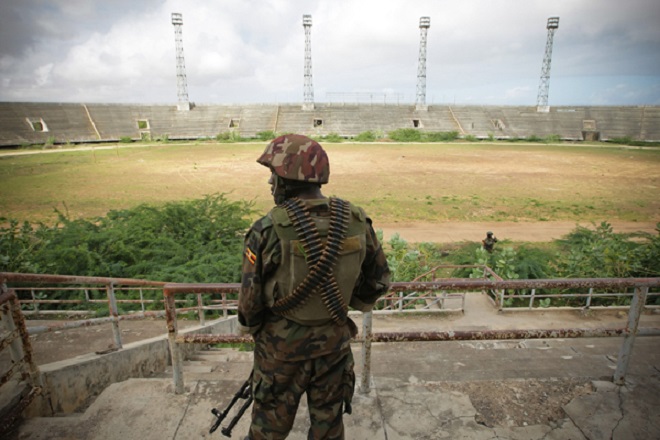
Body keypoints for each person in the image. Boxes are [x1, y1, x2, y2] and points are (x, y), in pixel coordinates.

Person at [238, 134, 390, 439]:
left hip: (280, 352)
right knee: (328, 429)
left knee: (267, 431)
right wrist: (342, 301)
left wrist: (259, 331)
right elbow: (378, 281)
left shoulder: (267, 229)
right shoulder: (356, 220)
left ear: (287, 179)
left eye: (273, 174)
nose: (270, 182)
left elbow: (250, 302)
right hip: (334, 346)